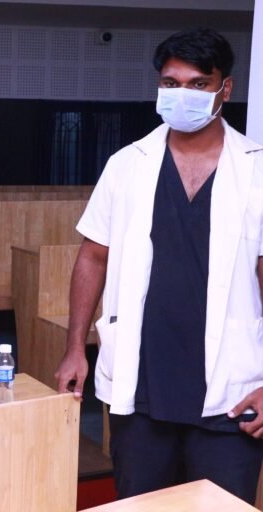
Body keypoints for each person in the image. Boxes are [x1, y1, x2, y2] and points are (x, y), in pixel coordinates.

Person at [55, 27, 263, 504]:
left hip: (230, 396)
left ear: (225, 89)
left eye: (198, 84)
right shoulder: (127, 164)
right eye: (171, 83)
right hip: (141, 391)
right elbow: (92, 256)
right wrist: (74, 349)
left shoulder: (256, 171)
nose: (182, 94)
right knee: (139, 505)